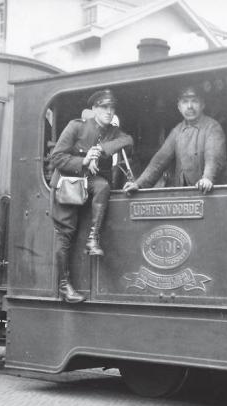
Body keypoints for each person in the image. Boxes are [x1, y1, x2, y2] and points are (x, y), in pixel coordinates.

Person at [48, 89, 133, 303]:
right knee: (65, 234)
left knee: (103, 186)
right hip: (68, 183)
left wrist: (100, 150)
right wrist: (84, 161)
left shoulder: (113, 132)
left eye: (112, 108)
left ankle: (92, 239)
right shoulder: (76, 126)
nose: (109, 111)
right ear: (94, 109)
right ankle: (64, 287)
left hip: (90, 182)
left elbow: (128, 140)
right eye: (104, 107)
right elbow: (57, 157)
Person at [123, 85, 227, 194]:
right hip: (190, 195)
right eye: (185, 101)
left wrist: (208, 178)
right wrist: (138, 184)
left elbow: (213, 157)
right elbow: (159, 160)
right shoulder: (177, 131)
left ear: (202, 105)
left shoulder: (212, 127)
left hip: (215, 194)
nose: (189, 106)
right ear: (179, 107)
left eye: (194, 101)